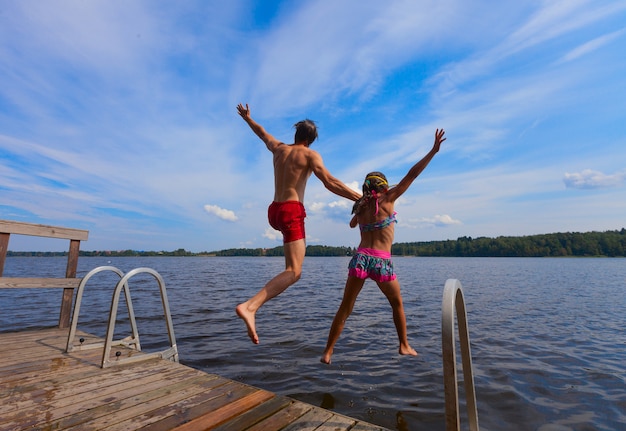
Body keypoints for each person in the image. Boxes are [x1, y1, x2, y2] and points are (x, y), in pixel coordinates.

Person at [235, 103, 362, 344]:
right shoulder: (310, 155)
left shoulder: (279, 149)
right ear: (311, 140)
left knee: (292, 268)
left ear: (295, 135)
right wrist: (359, 197)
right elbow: (330, 182)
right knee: (294, 272)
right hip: (291, 210)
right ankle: (250, 307)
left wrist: (247, 118)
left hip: (274, 211)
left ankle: (251, 307)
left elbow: (262, 132)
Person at [321, 128, 446, 364]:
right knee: (396, 303)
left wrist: (360, 207)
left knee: (345, 307)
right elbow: (412, 174)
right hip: (381, 261)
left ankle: (328, 351)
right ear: (384, 188)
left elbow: (351, 224)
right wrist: (433, 151)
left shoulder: (361, 205)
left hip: (360, 259)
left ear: (367, 187)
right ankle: (404, 345)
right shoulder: (388, 200)